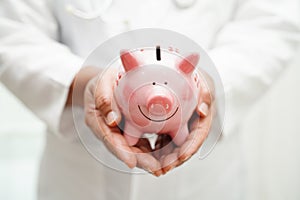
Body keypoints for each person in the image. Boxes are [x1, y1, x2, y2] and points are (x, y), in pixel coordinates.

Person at [0, 0, 299, 199]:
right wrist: (81, 83)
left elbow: (272, 19)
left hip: (205, 180)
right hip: (78, 178)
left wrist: (209, 81)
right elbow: (10, 31)